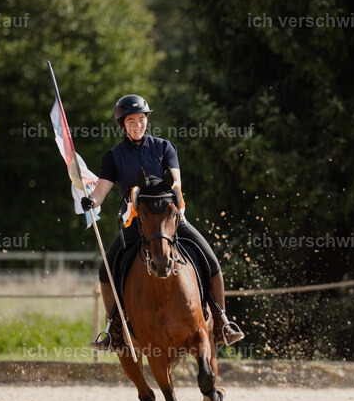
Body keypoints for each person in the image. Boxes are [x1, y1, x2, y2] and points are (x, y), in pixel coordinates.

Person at [82, 94, 244, 351]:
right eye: (132, 121)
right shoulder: (113, 156)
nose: (138, 125)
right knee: (105, 271)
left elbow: (176, 181)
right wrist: (91, 201)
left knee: (212, 260)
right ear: (123, 124)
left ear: (147, 120)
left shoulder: (165, 147)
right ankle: (114, 330)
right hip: (136, 224)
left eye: (142, 119)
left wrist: (173, 201)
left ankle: (223, 321)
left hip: (170, 221)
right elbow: (102, 190)